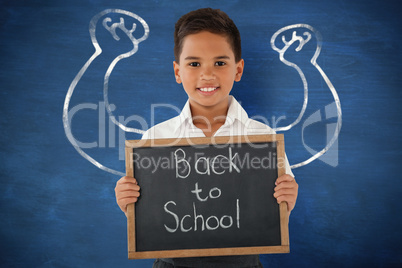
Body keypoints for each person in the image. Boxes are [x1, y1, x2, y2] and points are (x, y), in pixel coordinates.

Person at [115, 7, 298, 268]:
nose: (207, 74)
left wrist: (287, 200)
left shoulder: (263, 139)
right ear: (178, 72)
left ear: (238, 69)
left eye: (220, 63)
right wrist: (129, 203)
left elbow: (274, 216)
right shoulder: (154, 139)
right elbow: (150, 217)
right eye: (194, 63)